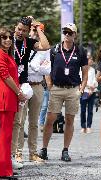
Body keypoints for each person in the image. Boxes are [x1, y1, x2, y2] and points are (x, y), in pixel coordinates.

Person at [39, 23, 88, 162]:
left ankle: (65, 150)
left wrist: (82, 88)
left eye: (70, 32)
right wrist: (49, 84)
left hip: (73, 89)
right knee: (50, 120)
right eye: (65, 32)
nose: (67, 34)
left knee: (70, 120)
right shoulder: (54, 49)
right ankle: (44, 149)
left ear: (75, 35)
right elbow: (46, 66)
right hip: (56, 88)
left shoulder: (80, 51)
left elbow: (85, 73)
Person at [11, 16, 50, 167]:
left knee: (33, 122)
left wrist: (38, 27)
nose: (20, 32)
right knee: (18, 121)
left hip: (33, 85)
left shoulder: (30, 42)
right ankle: (17, 152)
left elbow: (46, 46)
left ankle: (33, 153)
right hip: (16, 85)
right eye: (19, 29)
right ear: (15, 27)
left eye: (24, 30)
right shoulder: (9, 40)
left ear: (29, 32)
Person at [0, 27, 26, 180]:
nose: (7, 40)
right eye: (3, 37)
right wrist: (19, 93)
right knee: (4, 135)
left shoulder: (6, 54)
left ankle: (6, 168)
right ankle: (2, 170)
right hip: (5, 97)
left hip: (10, 97)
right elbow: (5, 76)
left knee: (7, 135)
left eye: (9, 37)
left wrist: (17, 94)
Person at [80, 54, 98, 133]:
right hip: (84, 91)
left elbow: (95, 79)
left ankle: (89, 126)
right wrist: (89, 87)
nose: (90, 60)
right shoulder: (81, 69)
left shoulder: (93, 70)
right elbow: (81, 80)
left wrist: (93, 87)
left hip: (92, 92)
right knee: (83, 110)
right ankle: (83, 126)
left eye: (91, 59)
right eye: (88, 59)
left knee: (90, 110)